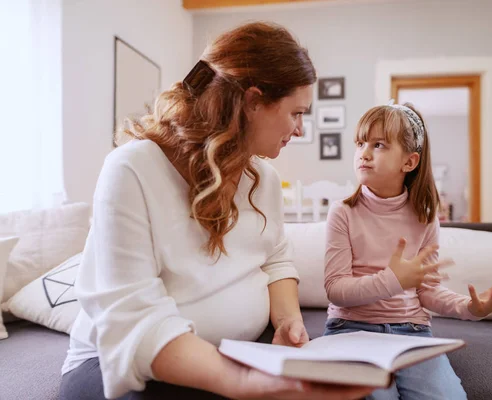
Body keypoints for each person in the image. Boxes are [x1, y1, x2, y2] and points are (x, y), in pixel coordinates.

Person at [59, 21, 374, 400]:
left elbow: (276, 261)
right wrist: (241, 383)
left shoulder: (264, 179)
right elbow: (138, 323)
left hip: (235, 352)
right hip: (123, 363)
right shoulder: (132, 169)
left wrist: (288, 319)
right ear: (253, 101)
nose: (301, 129)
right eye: (296, 113)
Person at [322, 101, 492, 400]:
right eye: (361, 143)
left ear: (409, 162)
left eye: (378, 145)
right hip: (350, 329)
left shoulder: (425, 216)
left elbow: (428, 292)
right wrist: (393, 280)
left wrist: (472, 309)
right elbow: (335, 289)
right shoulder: (342, 212)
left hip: (411, 332)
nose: (363, 153)